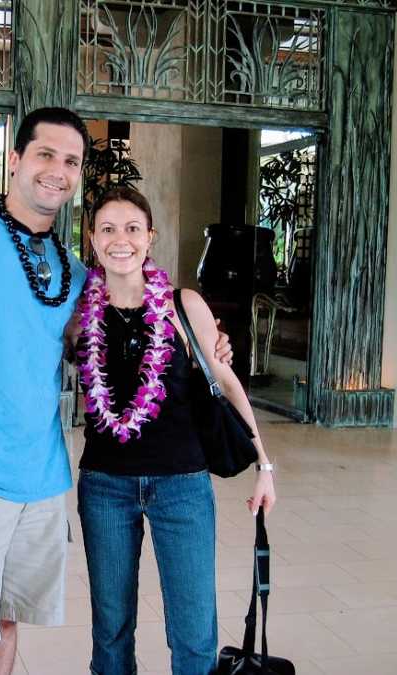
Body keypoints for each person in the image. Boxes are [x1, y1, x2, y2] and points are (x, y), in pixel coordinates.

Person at [0, 107, 231, 675]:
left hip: (41, 479)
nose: (57, 171)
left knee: (5, 623)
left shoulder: (69, 270)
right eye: (45, 154)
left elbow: (127, 316)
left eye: (71, 161)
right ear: (15, 160)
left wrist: (206, 339)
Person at [70, 186, 277, 675]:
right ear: (93, 241)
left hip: (182, 485)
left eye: (133, 228)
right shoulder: (78, 314)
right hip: (105, 487)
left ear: (149, 237)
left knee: (193, 630)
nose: (121, 240)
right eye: (108, 229)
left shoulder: (183, 305)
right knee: (111, 629)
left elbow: (226, 382)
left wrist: (264, 464)